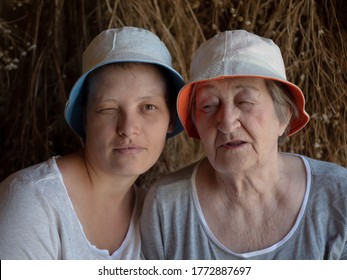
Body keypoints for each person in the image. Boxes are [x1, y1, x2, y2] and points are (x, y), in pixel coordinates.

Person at [140, 29, 347, 259]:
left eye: (245, 101)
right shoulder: (167, 206)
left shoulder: (337, 197)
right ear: (196, 124)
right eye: (209, 105)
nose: (227, 124)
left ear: (284, 116)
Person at [0, 26, 184, 259]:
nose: (128, 129)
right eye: (108, 109)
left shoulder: (154, 216)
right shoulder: (32, 202)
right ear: (85, 117)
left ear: (171, 119)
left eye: (148, 107)